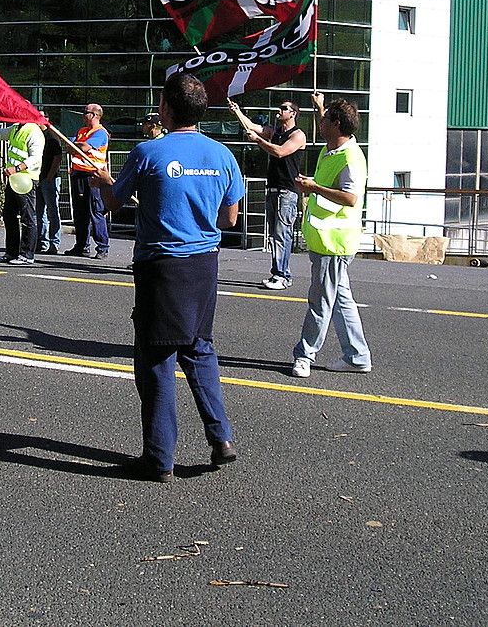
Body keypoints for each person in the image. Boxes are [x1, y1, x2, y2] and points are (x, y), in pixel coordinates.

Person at [93, 73, 244, 482]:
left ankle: (159, 459)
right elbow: (230, 218)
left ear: (165, 108)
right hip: (204, 265)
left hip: (162, 266)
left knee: (157, 360)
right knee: (199, 348)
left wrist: (104, 179)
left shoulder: (148, 152)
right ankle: (221, 437)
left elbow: (112, 203)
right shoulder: (222, 155)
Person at [290, 96, 372, 378]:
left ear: (336, 125)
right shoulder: (334, 148)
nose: (320, 123)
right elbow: (327, 125)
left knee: (320, 301)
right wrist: (319, 106)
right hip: (328, 240)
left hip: (333, 242)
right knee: (340, 300)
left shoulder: (349, 158)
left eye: (325, 119)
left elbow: (350, 197)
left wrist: (313, 188)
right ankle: (357, 355)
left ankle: (305, 355)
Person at [229, 98, 307, 291]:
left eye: (284, 109)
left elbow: (280, 152)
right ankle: (277, 273)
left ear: (293, 113)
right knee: (274, 235)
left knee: (282, 235)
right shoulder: (275, 131)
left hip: (287, 191)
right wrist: (237, 111)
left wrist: (258, 141)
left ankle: (282, 275)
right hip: (273, 189)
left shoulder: (297, 135)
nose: (279, 111)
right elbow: (252, 126)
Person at [0, 120, 44, 264]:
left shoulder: (33, 131)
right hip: (15, 180)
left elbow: (35, 158)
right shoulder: (16, 127)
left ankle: (27, 254)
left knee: (27, 217)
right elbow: (0, 134)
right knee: (9, 215)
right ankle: (11, 252)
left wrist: (17, 168)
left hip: (27, 179)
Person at [68, 103, 110, 259]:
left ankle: (102, 247)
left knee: (95, 211)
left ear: (95, 115)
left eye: (86, 112)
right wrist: (76, 145)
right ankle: (81, 246)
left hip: (92, 177)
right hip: (78, 174)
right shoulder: (82, 131)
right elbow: (70, 145)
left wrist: (76, 145)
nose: (83, 115)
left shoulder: (100, 133)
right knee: (80, 213)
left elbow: (84, 147)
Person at [36, 119, 63, 256]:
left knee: (52, 211)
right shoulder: (37, 135)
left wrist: (50, 176)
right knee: (39, 212)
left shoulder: (52, 136)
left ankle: (54, 242)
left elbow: (58, 157)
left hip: (49, 179)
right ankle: (42, 242)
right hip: (38, 178)